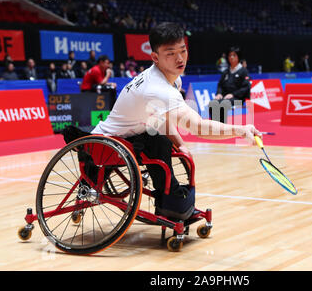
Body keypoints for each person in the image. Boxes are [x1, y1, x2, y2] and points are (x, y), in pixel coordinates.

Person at [90, 22, 260, 218]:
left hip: (128, 139)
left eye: (183, 50)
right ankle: (172, 204)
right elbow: (198, 127)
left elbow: (160, 119)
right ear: (155, 57)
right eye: (170, 53)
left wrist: (181, 144)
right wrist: (240, 130)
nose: (180, 58)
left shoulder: (169, 78)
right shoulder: (159, 89)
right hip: (105, 148)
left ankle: (172, 205)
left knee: (160, 140)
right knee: (159, 142)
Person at [208, 46, 251, 123]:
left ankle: (222, 127)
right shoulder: (226, 72)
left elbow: (245, 88)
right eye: (230, 55)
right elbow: (220, 85)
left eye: (234, 55)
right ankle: (215, 127)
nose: (231, 57)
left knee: (222, 104)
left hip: (238, 98)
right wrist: (219, 94)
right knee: (213, 103)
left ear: (238, 57)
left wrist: (233, 94)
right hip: (225, 97)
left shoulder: (244, 71)